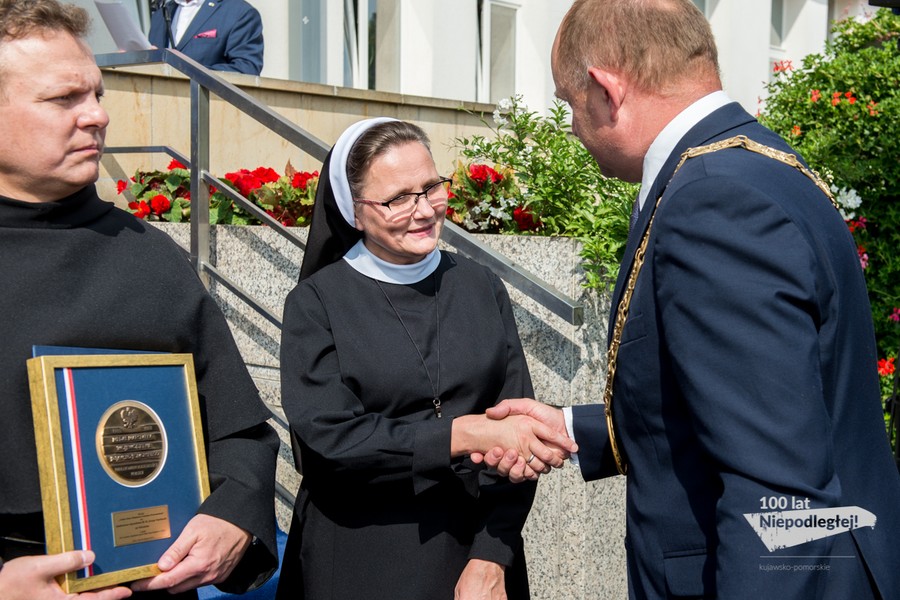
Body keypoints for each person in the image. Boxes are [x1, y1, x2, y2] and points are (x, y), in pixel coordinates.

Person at [478, 0, 900, 598]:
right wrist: (575, 429)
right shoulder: (757, 163)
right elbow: (755, 409)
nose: (573, 125)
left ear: (605, 89)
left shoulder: (712, 203)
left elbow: (778, 495)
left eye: (569, 104)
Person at [0, 1, 278, 598]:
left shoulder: (148, 255)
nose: (97, 116)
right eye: (64, 99)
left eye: (97, 94)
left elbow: (242, 435)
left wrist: (232, 516)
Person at [276, 118, 576, 600]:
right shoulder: (316, 303)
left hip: (475, 556)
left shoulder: (481, 287)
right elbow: (331, 442)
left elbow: (516, 428)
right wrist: (464, 433)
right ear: (354, 213)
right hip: (360, 561)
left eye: (431, 187)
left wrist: (492, 555)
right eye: (397, 198)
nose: (423, 211)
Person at [148, 0, 263, 76]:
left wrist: (186, 69)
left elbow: (247, 70)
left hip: (209, 108)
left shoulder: (239, 12)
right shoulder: (160, 14)